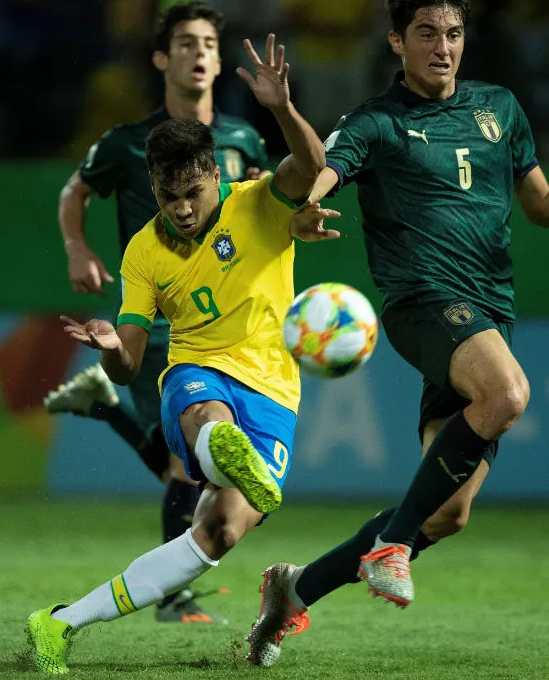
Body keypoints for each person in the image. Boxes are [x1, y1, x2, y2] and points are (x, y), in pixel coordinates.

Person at [246, 0, 549, 666]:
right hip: (422, 302)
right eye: (426, 34)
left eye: (453, 33)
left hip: (487, 314)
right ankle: (390, 548)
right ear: (396, 41)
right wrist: (310, 202)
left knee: (446, 512)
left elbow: (540, 205)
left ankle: (295, 588)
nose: (442, 47)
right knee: (507, 394)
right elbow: (329, 164)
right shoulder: (377, 120)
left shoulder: (499, 107)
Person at [27, 33, 338, 676]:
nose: (183, 209)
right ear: (154, 186)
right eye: (169, 197)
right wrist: (113, 349)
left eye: (194, 193)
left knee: (218, 535)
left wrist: (281, 108)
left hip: (275, 393)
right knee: (208, 422)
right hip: (195, 373)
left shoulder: (258, 203)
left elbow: (309, 167)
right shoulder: (143, 252)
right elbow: (130, 363)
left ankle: (57, 623)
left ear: (215, 174)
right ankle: (218, 449)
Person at [43, 1, 269, 625]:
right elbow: (75, 189)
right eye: (186, 42)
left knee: (193, 462)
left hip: (227, 324)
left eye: (208, 43)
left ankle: (108, 410)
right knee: (188, 463)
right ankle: (172, 596)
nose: (199, 53)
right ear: (162, 59)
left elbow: (264, 209)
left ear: (220, 60)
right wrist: (77, 245)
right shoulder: (125, 144)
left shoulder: (243, 141)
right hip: (161, 322)